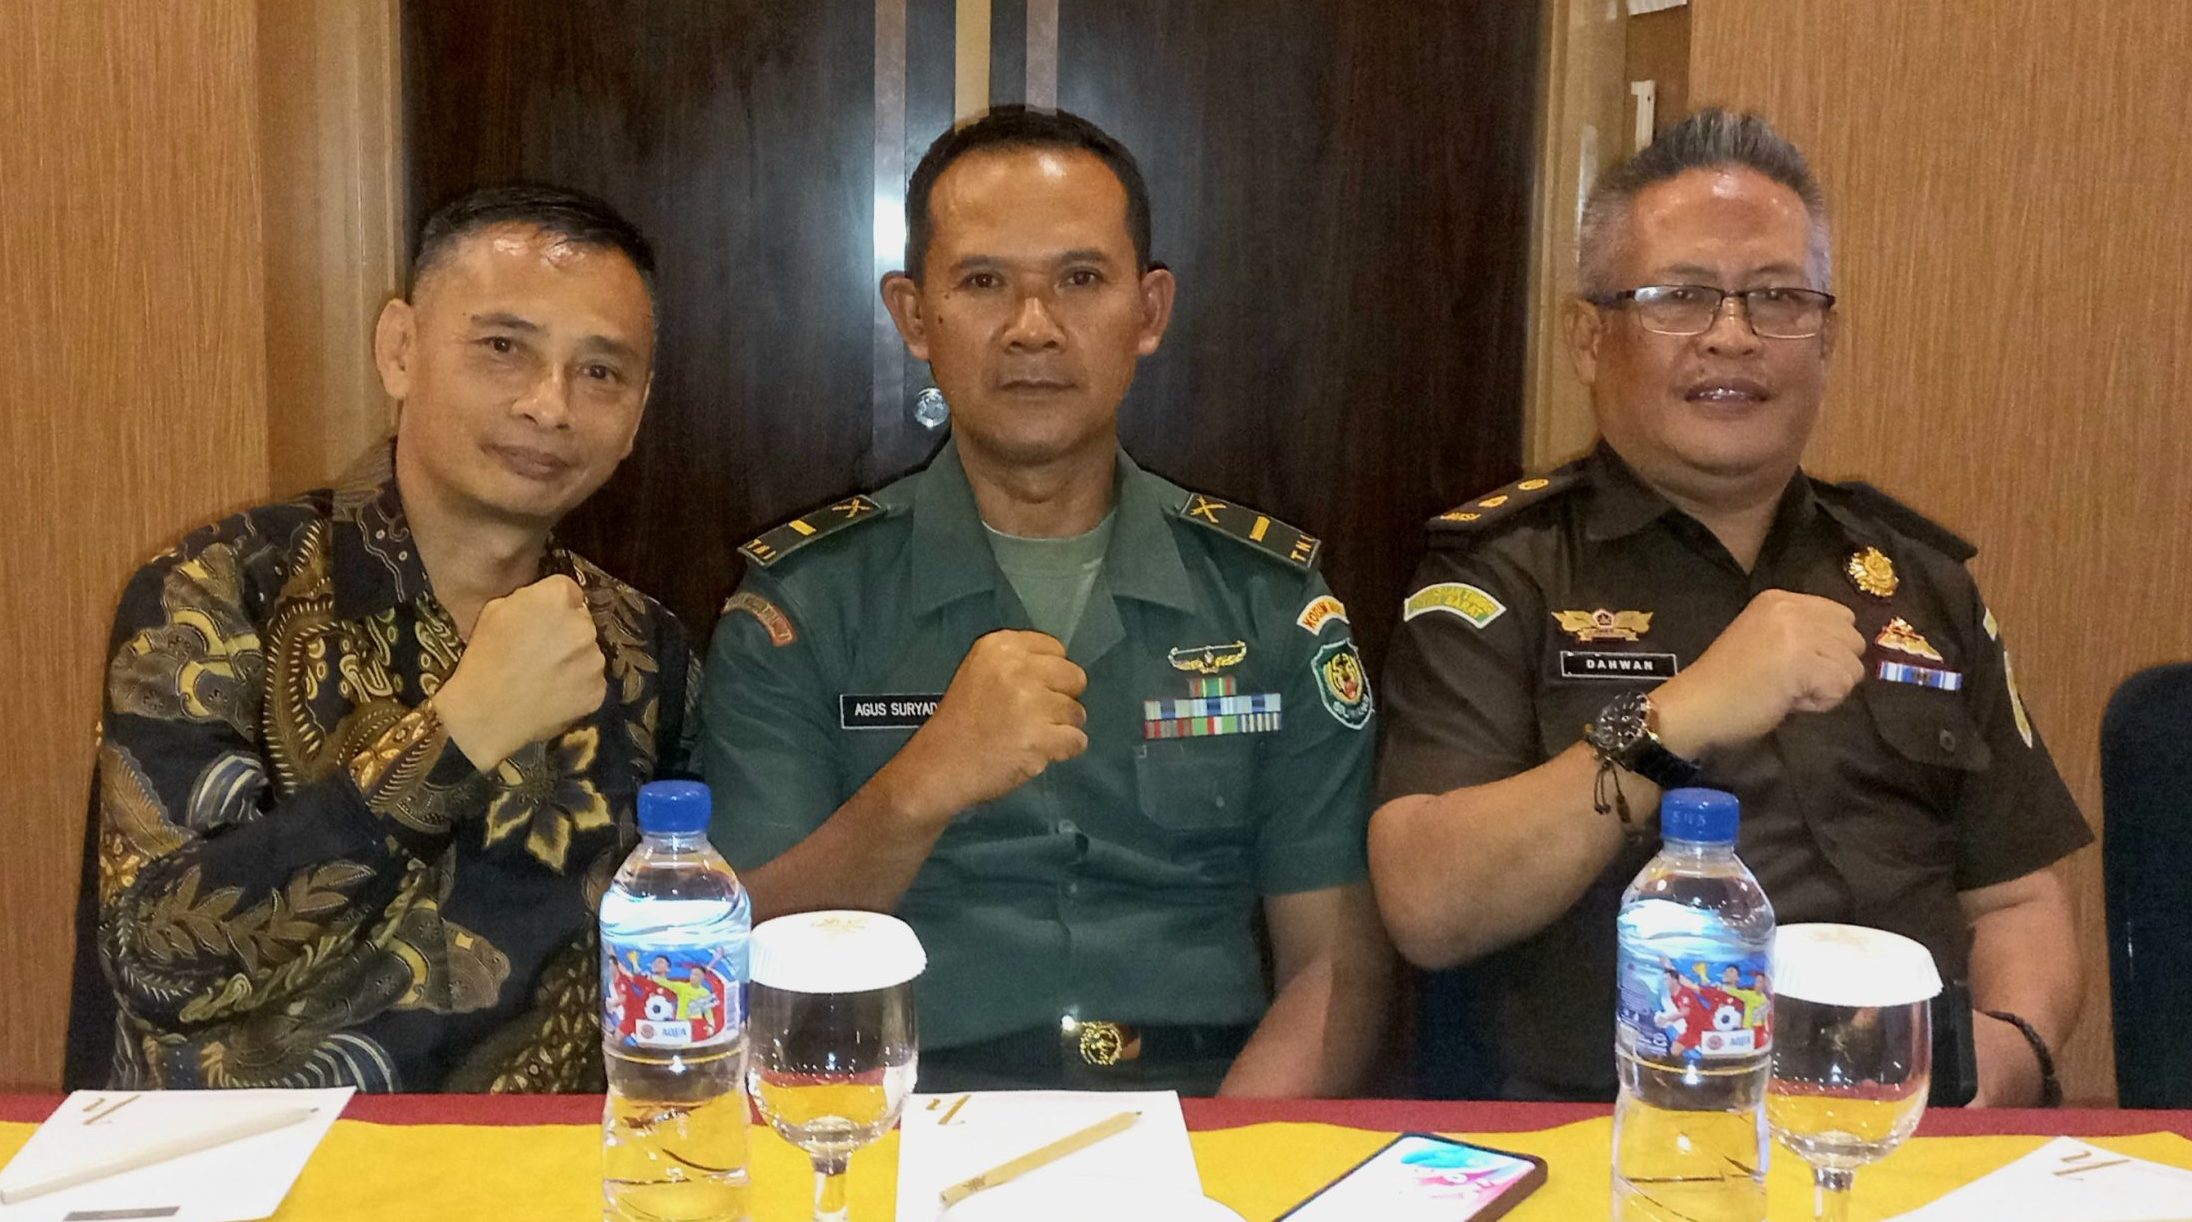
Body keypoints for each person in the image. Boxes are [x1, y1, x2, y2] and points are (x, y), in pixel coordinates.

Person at [1370, 109, 2090, 1105]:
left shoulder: (1921, 581)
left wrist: (2004, 1060)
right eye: (1681, 297)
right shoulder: (1504, 575)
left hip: (1907, 1141)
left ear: (1827, 335)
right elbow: (1428, 902)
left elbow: (2019, 901)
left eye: (1779, 298)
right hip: (1614, 1137)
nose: (1733, 336)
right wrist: (1675, 720)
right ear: (1589, 337)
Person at [697, 106, 1389, 1095]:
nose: (1033, 327)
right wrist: (918, 788)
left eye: (1080, 280)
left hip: (1203, 1104)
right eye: (983, 282)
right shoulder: (804, 605)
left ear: (1148, 311)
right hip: (899, 1107)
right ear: (914, 316)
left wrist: (1226, 1157)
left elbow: (1335, 964)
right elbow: (739, 955)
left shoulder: (1266, 599)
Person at [90, 185, 695, 1091]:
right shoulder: (219, 588)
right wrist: (463, 732)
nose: (550, 406)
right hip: (266, 1157)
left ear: (638, 412)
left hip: (550, 1159)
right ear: (401, 350)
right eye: (503, 348)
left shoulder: (643, 648)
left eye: (601, 372)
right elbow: (157, 964)